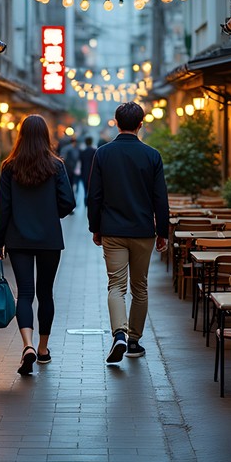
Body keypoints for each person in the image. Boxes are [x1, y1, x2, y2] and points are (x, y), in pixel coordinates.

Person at [0, 114, 76, 376]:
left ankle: (26, 345)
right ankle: (42, 349)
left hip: (18, 239)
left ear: (21, 135)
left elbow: (2, 207)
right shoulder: (56, 166)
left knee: (25, 293)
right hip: (50, 239)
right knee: (46, 293)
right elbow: (69, 202)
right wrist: (53, 215)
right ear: (45, 136)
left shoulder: (10, 167)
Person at [86, 102, 170, 364]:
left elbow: (94, 196)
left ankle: (119, 333)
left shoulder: (103, 153)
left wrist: (95, 227)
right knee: (140, 287)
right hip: (143, 230)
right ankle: (134, 340)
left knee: (116, 286)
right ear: (141, 124)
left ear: (116, 122)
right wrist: (163, 231)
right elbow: (160, 198)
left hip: (112, 230)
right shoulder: (152, 155)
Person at [58, 135, 81, 207]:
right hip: (72, 170)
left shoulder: (66, 149)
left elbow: (62, 158)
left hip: (68, 170)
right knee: (73, 185)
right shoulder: (76, 149)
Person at [78, 135, 97, 201]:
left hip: (84, 172)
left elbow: (81, 162)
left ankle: (86, 197)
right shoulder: (95, 151)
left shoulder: (83, 152)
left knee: (85, 187)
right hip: (92, 172)